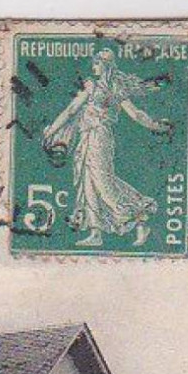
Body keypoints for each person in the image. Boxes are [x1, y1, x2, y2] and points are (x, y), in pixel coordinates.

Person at [41, 47, 170, 250]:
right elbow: (71, 110)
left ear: (106, 65)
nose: (94, 67)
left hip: (100, 137)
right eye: (94, 63)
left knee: (103, 182)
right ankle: (95, 232)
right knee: (88, 182)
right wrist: (52, 131)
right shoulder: (92, 86)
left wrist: (154, 125)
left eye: (97, 63)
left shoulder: (113, 88)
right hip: (86, 137)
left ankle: (140, 217)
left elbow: (134, 113)